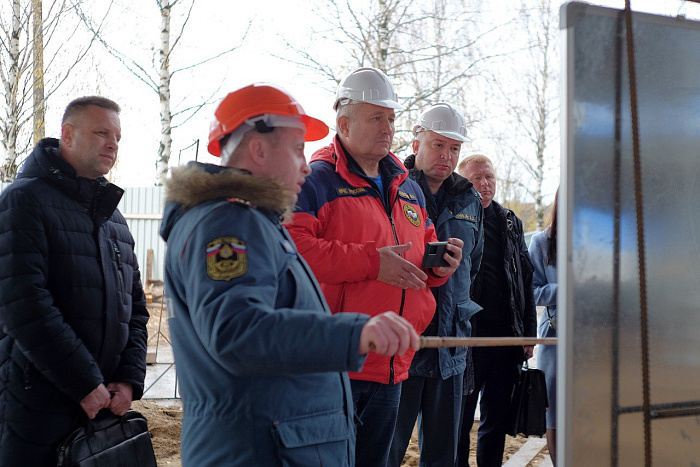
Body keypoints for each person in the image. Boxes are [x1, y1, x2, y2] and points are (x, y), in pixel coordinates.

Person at [159, 82, 421, 466]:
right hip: (258, 449)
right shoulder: (228, 224)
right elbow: (238, 332)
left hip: (276, 443)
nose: (305, 164)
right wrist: (356, 332)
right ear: (259, 149)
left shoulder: (254, 221)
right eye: (297, 150)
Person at [287, 67, 464, 466]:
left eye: (391, 119)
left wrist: (440, 266)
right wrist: (372, 264)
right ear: (344, 123)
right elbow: (293, 252)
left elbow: (421, 250)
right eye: (376, 118)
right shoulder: (315, 181)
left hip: (392, 366)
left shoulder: (408, 187)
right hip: (336, 364)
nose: (387, 128)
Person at [0, 96, 150, 466]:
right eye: (101, 132)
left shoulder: (113, 217)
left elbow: (135, 306)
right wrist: (84, 383)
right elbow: (23, 305)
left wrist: (128, 380)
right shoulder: (23, 200)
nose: (113, 143)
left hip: (105, 405)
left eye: (117, 136)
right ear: (67, 134)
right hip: (37, 403)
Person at [388, 103, 484, 466]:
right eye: (438, 145)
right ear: (416, 143)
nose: (447, 156)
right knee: (388, 447)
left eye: (454, 148)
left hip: (450, 343)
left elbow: (472, 267)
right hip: (401, 338)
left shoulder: (469, 198)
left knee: (444, 453)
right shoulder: (391, 185)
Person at [456, 154, 536, 467]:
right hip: (468, 336)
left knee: (497, 418)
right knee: (461, 418)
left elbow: (525, 280)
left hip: (506, 337)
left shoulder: (510, 221)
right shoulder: (457, 216)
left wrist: (528, 333)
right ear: (464, 182)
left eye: (489, 176)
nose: (485, 183)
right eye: (477, 178)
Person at [528, 189, 559, 465]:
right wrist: (566, 290)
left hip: (599, 337)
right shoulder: (541, 242)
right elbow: (531, 292)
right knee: (555, 411)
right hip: (555, 339)